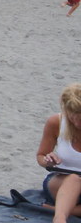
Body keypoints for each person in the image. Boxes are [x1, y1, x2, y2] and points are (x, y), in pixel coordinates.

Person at [36, 83, 81, 223]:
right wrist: (48, 160)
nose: (78, 124)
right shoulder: (56, 122)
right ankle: (59, 218)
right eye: (74, 118)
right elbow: (41, 156)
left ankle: (62, 209)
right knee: (74, 179)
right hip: (61, 181)